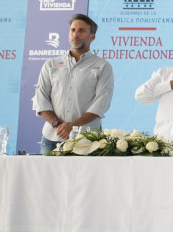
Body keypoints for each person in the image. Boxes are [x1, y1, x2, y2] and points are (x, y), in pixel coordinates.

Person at [33, 13, 115, 153]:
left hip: (88, 139)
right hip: (52, 137)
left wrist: (73, 127)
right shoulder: (51, 64)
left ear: (92, 37)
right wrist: (57, 125)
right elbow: (41, 98)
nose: (75, 34)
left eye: (81, 31)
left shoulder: (102, 66)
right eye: (73, 30)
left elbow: (101, 103)